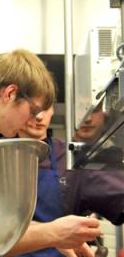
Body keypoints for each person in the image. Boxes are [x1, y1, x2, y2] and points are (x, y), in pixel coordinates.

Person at [0, 50, 102, 256]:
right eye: (33, 111)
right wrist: (52, 233)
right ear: (10, 94)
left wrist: (57, 237)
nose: (33, 119)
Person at [16, 104, 124, 257]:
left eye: (45, 108)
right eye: (33, 109)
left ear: (53, 110)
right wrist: (51, 234)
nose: (39, 117)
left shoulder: (71, 157)